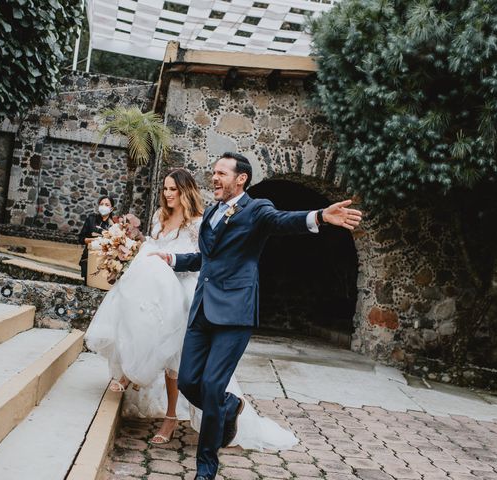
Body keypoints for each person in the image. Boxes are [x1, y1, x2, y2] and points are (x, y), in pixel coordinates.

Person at [151, 152, 363, 480]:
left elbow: (284, 221)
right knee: (190, 381)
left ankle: (205, 468)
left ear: (241, 179)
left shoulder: (257, 209)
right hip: (203, 308)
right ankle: (229, 406)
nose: (215, 177)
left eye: (222, 173)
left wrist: (320, 216)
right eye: (214, 172)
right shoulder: (210, 211)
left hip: (235, 313)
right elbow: (206, 258)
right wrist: (173, 260)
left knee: (210, 386)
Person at [85, 169, 298, 448]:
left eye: (173, 189)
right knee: (139, 327)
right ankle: (129, 372)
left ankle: (171, 417)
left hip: (183, 291)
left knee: (174, 359)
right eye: (165, 188)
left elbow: (201, 258)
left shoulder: (199, 222)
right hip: (155, 292)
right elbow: (151, 248)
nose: (167, 194)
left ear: (186, 191)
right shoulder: (158, 217)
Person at [78, 195, 116, 280]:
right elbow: (81, 239)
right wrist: (95, 240)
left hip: (105, 263)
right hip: (88, 259)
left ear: (111, 209)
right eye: (101, 204)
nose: (103, 206)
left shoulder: (113, 225)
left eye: (107, 205)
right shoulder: (91, 219)